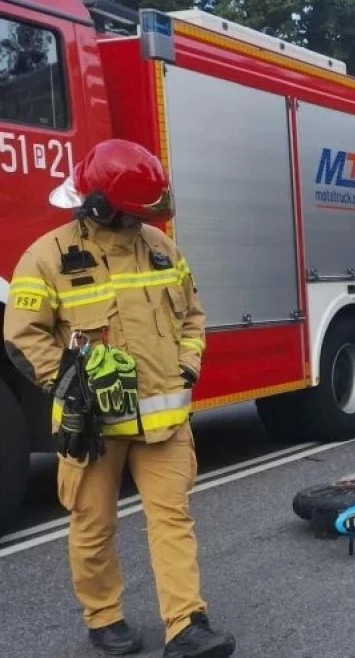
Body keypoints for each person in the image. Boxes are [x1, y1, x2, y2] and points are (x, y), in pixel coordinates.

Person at [3, 139, 236, 657]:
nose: (140, 223)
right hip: (92, 427)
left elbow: (192, 317)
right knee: (93, 524)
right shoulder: (47, 256)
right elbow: (23, 335)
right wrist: (71, 384)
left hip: (163, 421)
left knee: (172, 519)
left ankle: (186, 624)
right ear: (100, 205)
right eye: (131, 213)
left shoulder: (161, 248)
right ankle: (104, 617)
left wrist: (187, 366)